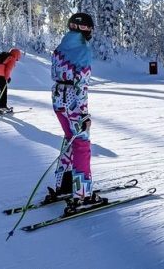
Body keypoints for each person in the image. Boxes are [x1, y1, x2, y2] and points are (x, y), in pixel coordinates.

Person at [47, 12, 106, 214]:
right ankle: (82, 194)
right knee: (81, 145)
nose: (91, 32)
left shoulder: (60, 47)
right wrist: (83, 114)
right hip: (73, 101)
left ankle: (63, 183)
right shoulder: (83, 50)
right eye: (90, 28)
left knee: (69, 139)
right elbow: (81, 84)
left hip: (57, 99)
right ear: (84, 29)